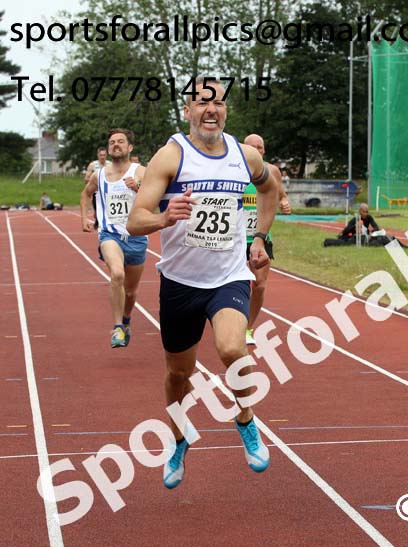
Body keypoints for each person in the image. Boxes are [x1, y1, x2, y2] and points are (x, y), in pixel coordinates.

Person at [127, 79, 278, 489]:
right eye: (201, 102)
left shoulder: (244, 156)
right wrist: (163, 217)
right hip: (179, 281)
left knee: (233, 348)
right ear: (188, 110)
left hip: (228, 276)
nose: (210, 110)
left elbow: (270, 186)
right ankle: (179, 439)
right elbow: (134, 220)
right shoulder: (170, 155)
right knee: (179, 373)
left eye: (218, 103)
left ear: (226, 110)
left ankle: (245, 419)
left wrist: (259, 237)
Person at [80, 129, 148, 348]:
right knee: (116, 273)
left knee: (131, 291)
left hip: (136, 237)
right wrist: (84, 218)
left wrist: (137, 188)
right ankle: (118, 327)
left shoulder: (141, 172)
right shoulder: (99, 174)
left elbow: (154, 200)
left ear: (130, 147)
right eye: (112, 142)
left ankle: (126, 320)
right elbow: (85, 194)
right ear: (108, 149)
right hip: (110, 235)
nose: (115, 145)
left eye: (120, 142)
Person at [242, 133, 292, 345]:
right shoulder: (235, 173)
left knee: (259, 285)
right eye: (251, 147)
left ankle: (247, 328)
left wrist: (284, 202)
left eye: (260, 147)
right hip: (235, 239)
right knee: (237, 284)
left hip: (261, 238)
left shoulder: (271, 171)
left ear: (264, 151)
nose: (256, 150)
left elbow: (280, 193)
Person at [86, 147, 110, 229]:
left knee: (107, 208)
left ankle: (104, 222)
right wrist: (93, 181)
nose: (102, 157)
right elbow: (86, 178)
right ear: (98, 155)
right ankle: (97, 220)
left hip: (108, 191)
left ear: (106, 155)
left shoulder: (110, 164)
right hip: (97, 192)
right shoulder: (93, 165)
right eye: (101, 155)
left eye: (104, 155)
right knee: (97, 208)